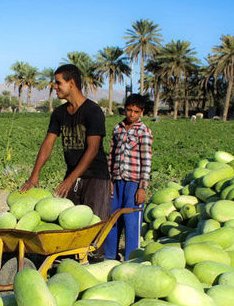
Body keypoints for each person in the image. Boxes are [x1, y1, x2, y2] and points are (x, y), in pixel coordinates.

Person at [20, 64, 110, 224]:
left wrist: (70, 180)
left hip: (95, 178)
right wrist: (34, 175)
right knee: (68, 226)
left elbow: (93, 149)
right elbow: (48, 144)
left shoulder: (92, 111)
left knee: (94, 227)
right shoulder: (59, 113)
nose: (55, 87)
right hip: (72, 176)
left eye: (58, 83)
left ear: (72, 83)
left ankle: (96, 251)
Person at [104, 94, 153, 261]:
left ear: (142, 112)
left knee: (131, 222)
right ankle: (110, 257)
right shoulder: (117, 129)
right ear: (125, 109)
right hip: (117, 181)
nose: (132, 114)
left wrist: (142, 187)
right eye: (129, 110)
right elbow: (111, 155)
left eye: (136, 111)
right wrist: (110, 180)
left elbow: (146, 160)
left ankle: (132, 258)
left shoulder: (143, 131)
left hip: (133, 182)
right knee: (113, 219)